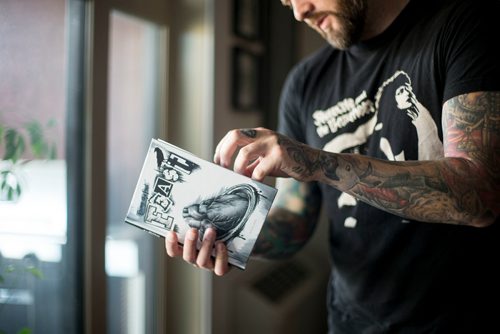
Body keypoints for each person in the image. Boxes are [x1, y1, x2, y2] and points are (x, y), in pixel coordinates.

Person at [166, 0, 500, 332]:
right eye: (287, 2)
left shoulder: (463, 24)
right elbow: (294, 221)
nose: (299, 12)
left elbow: (478, 194)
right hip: (349, 322)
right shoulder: (305, 82)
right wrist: (230, 235)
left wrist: (316, 162)